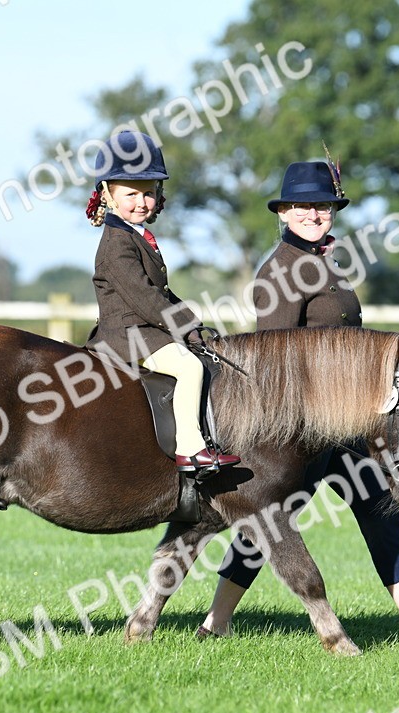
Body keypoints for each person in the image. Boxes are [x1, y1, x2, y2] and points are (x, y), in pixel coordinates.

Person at [196, 157, 399, 642]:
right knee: (267, 525)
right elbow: (276, 357)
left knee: (376, 513)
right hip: (302, 429)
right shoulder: (279, 273)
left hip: (345, 423)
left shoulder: (326, 263)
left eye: (324, 206)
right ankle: (216, 622)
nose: (314, 213)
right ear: (283, 211)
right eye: (303, 206)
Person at [84, 130, 239, 472]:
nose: (141, 202)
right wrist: (183, 327)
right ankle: (191, 448)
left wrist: (194, 324)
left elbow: (162, 293)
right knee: (189, 366)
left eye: (149, 194)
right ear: (108, 195)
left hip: (145, 328)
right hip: (129, 335)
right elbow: (144, 297)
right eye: (131, 194)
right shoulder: (116, 244)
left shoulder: (135, 237)